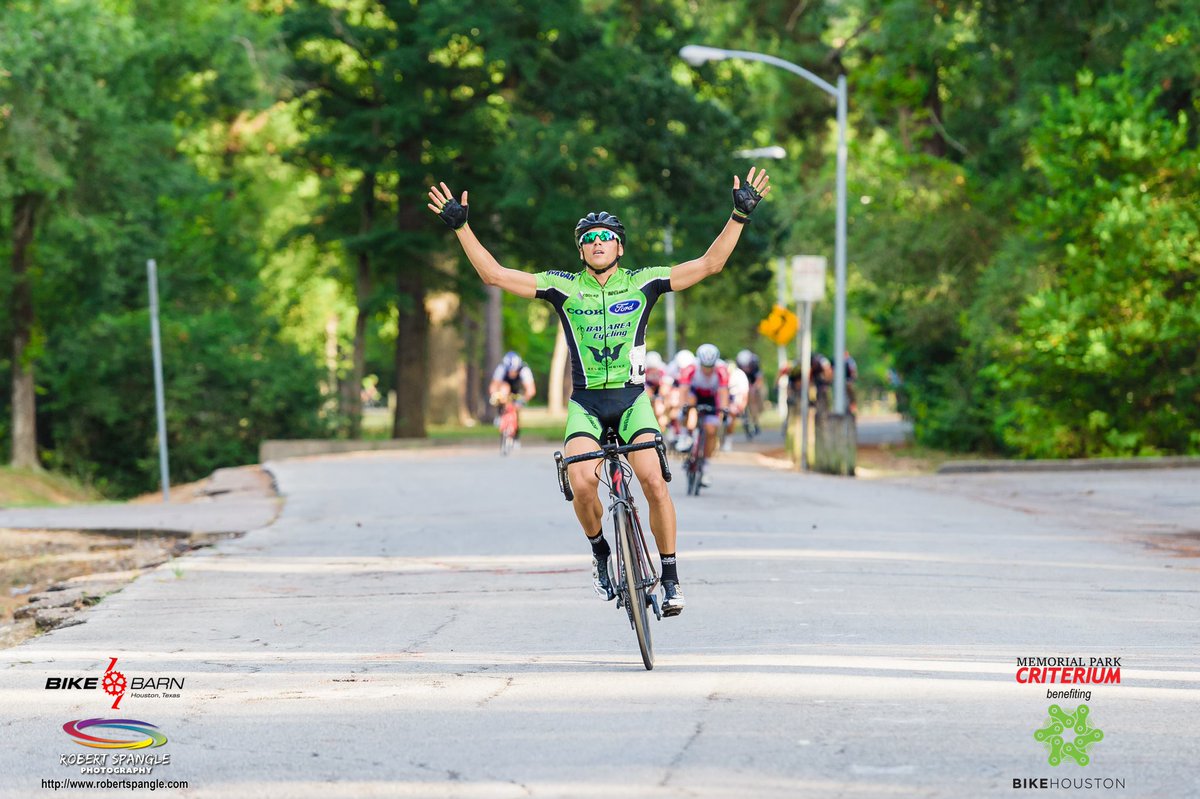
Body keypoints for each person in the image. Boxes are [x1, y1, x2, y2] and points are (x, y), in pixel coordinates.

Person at [427, 167, 771, 617]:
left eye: (605, 236)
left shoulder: (644, 281)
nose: (597, 243)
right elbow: (493, 275)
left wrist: (739, 216)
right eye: (588, 238)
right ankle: (602, 555)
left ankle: (669, 578)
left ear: (619, 246)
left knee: (652, 480)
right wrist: (462, 227)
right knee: (582, 482)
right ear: (581, 249)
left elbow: (710, 265)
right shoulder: (563, 286)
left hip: (631, 401)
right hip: (586, 405)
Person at [676, 343, 730, 484]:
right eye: (704, 367)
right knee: (690, 407)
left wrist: (724, 409)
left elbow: (723, 392)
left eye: (710, 367)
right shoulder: (691, 368)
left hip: (711, 397)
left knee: (711, 431)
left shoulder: (722, 370)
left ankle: (705, 465)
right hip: (694, 394)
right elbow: (683, 391)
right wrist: (683, 407)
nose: (707, 370)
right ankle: (685, 435)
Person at [488, 351, 536, 441]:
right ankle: (500, 414)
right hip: (505, 387)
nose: (512, 373)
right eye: (509, 371)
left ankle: (516, 433)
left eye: (514, 370)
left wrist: (523, 399)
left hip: (518, 389)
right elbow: (493, 386)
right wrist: (495, 395)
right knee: (503, 390)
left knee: (516, 408)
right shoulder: (501, 368)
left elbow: (531, 390)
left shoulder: (524, 370)